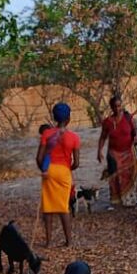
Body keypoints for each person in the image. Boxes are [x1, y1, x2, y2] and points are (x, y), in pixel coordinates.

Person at [36, 103, 80, 247]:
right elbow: (76, 163)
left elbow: (39, 158)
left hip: (49, 170)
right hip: (64, 172)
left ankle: (48, 242)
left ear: (54, 117)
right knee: (63, 207)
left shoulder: (47, 134)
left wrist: (43, 170)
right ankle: (69, 241)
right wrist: (69, 168)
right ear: (68, 119)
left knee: (48, 208)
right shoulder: (74, 137)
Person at [97, 94, 137, 207]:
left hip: (128, 154)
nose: (117, 108)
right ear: (111, 107)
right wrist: (99, 151)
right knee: (114, 177)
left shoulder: (129, 118)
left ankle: (129, 201)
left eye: (119, 106)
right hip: (113, 154)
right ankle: (116, 202)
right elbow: (103, 137)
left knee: (128, 176)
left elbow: (136, 132)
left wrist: (136, 137)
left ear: (121, 105)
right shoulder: (107, 122)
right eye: (114, 106)